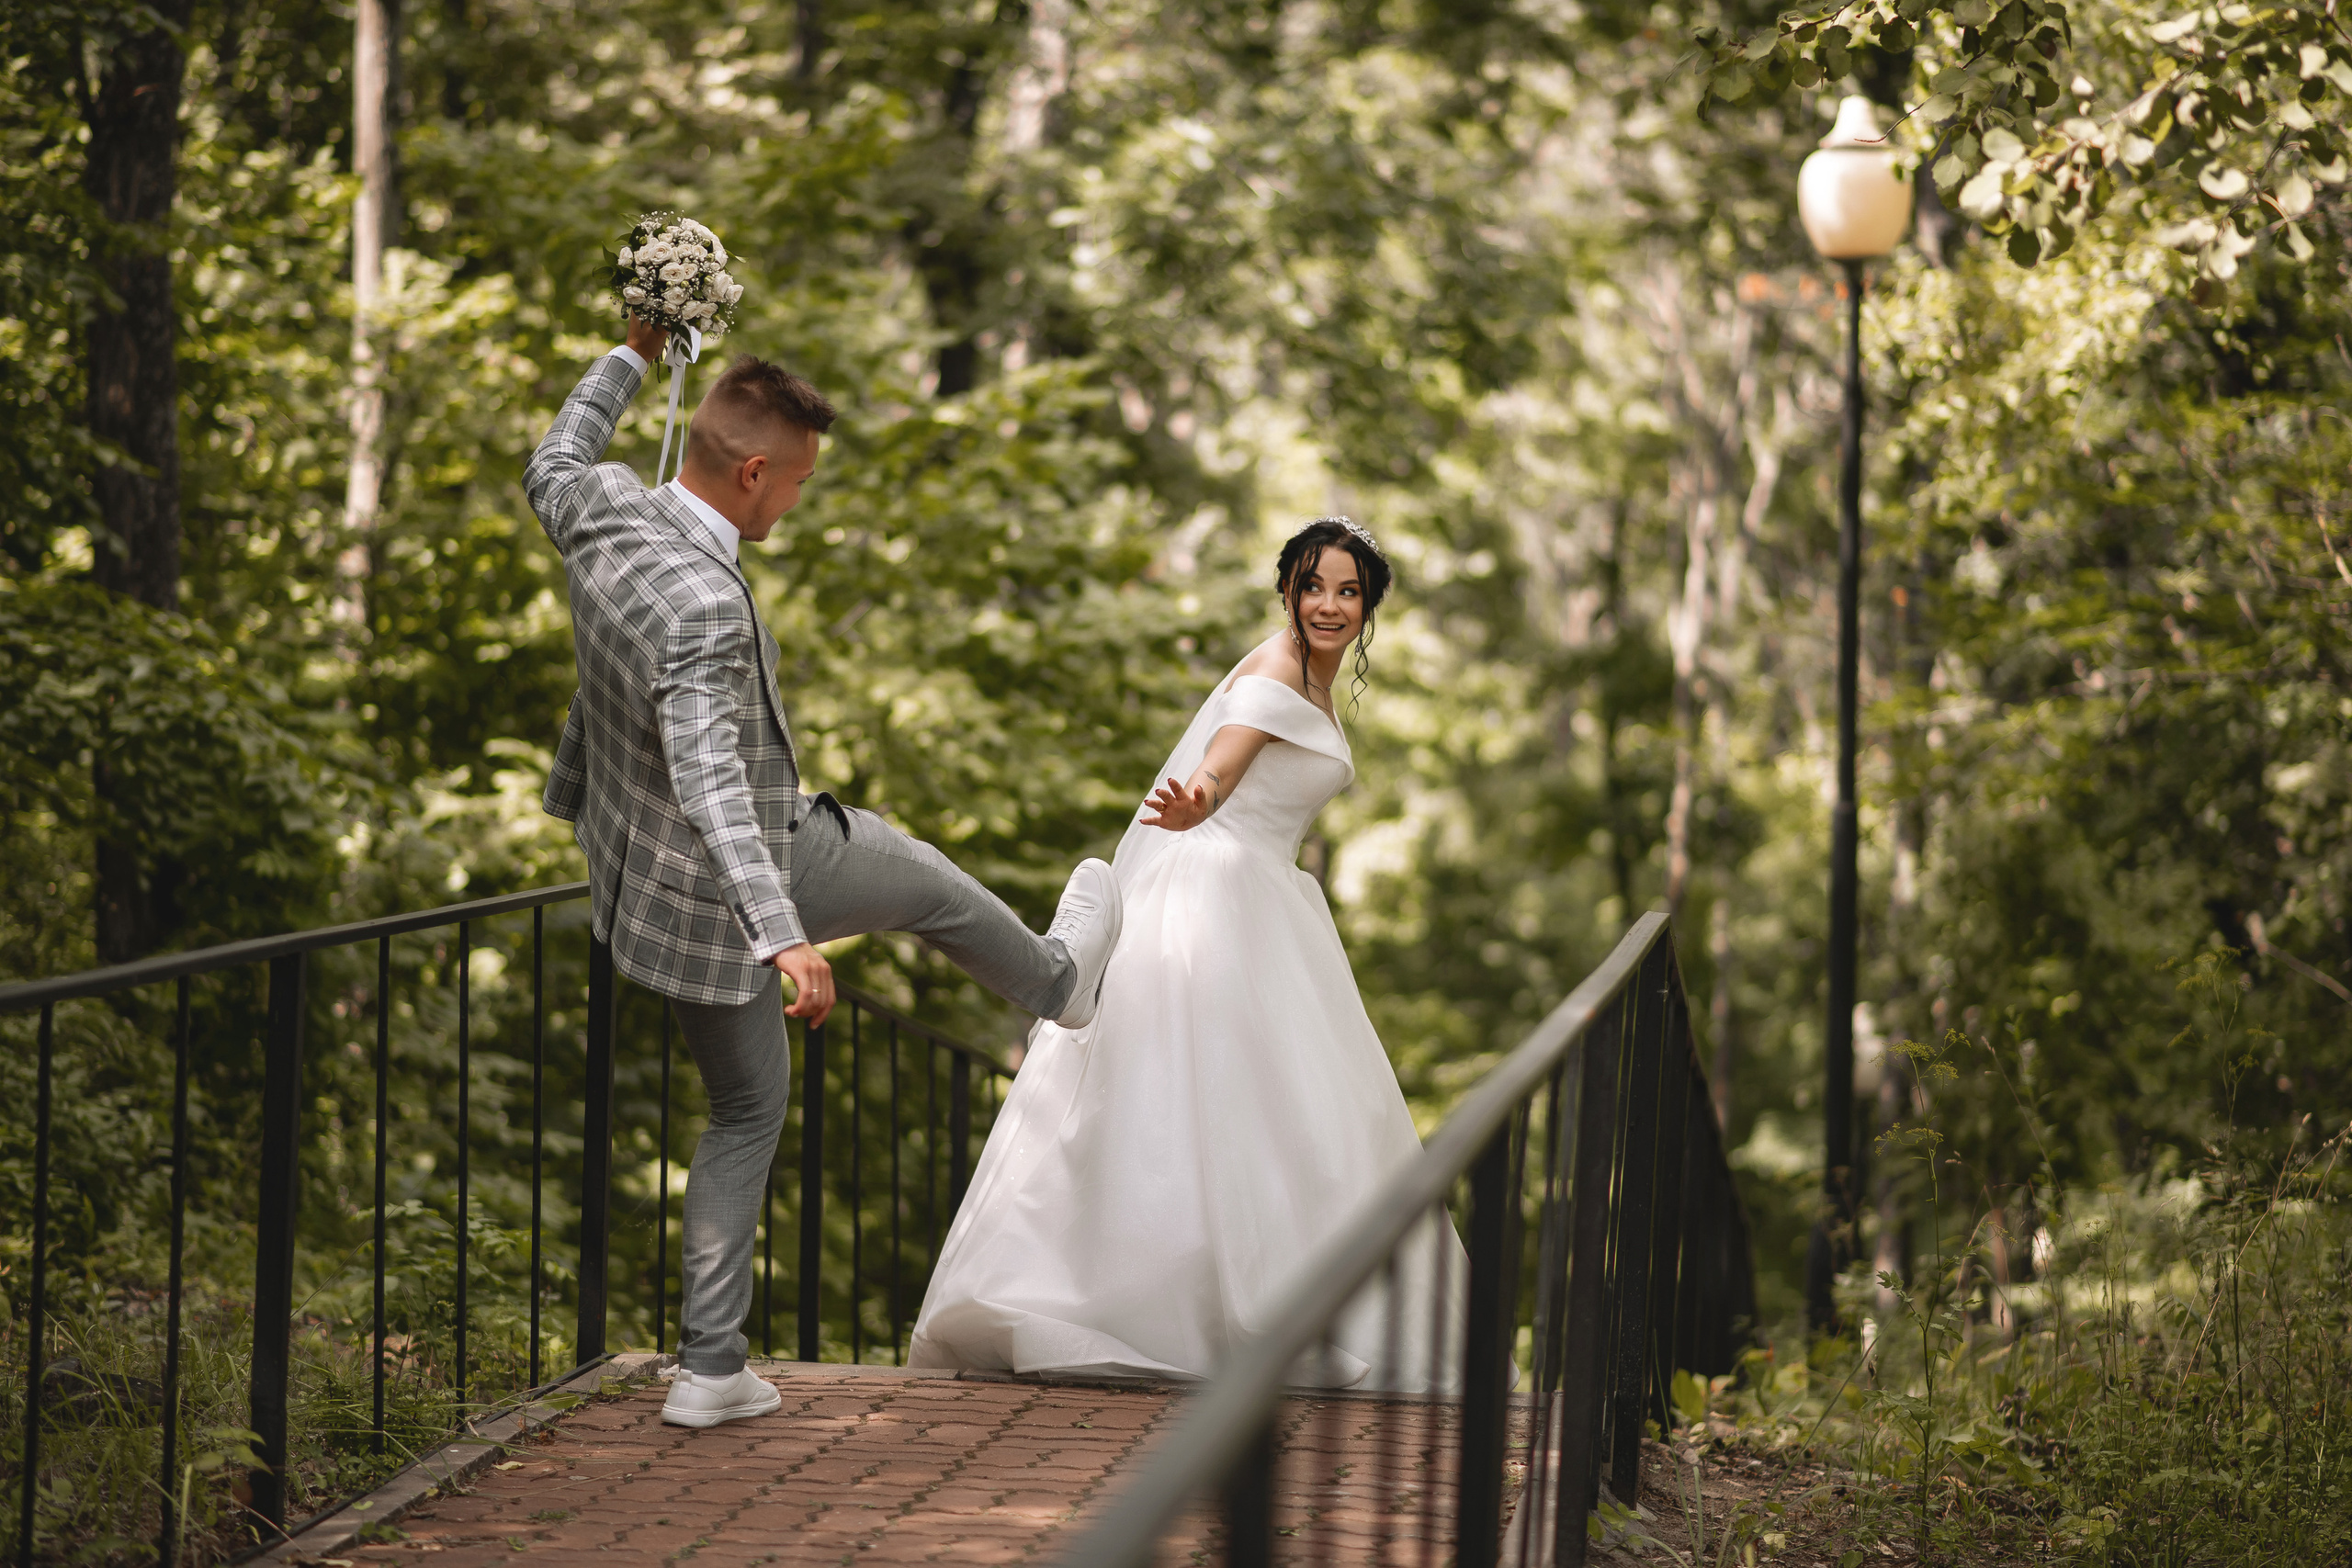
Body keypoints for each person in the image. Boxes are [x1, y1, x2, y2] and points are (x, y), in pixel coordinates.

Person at [525, 316, 1125, 1428]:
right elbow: (712, 783)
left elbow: (553, 455)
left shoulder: (605, 506)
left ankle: (711, 1372)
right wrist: (783, 934)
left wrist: (632, 353)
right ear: (753, 472)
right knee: (929, 881)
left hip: (640, 880)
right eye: (794, 482)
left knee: (746, 1108)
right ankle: (1060, 985)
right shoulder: (706, 604)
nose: (795, 499)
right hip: (757, 859)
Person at [908, 517, 1465, 1391]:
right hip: (1220, 893)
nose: (1329, 604)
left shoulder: (1316, 682)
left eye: (1348, 591)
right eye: (1313, 584)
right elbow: (1222, 764)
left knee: (1278, 1111)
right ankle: (1169, 1306)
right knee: (1203, 1097)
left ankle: (1254, 1292)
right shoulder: (1280, 669)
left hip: (1267, 896)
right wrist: (1196, 800)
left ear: (1368, 606)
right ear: (1287, 587)